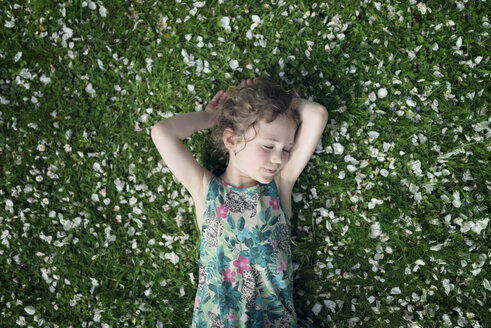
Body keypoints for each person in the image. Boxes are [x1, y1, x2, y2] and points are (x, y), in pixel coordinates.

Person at [151, 78, 328, 327]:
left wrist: (276, 102)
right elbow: (162, 132)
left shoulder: (279, 186)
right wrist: (211, 117)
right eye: (268, 145)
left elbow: (317, 114)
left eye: (286, 149)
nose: (278, 158)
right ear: (231, 141)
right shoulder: (205, 189)